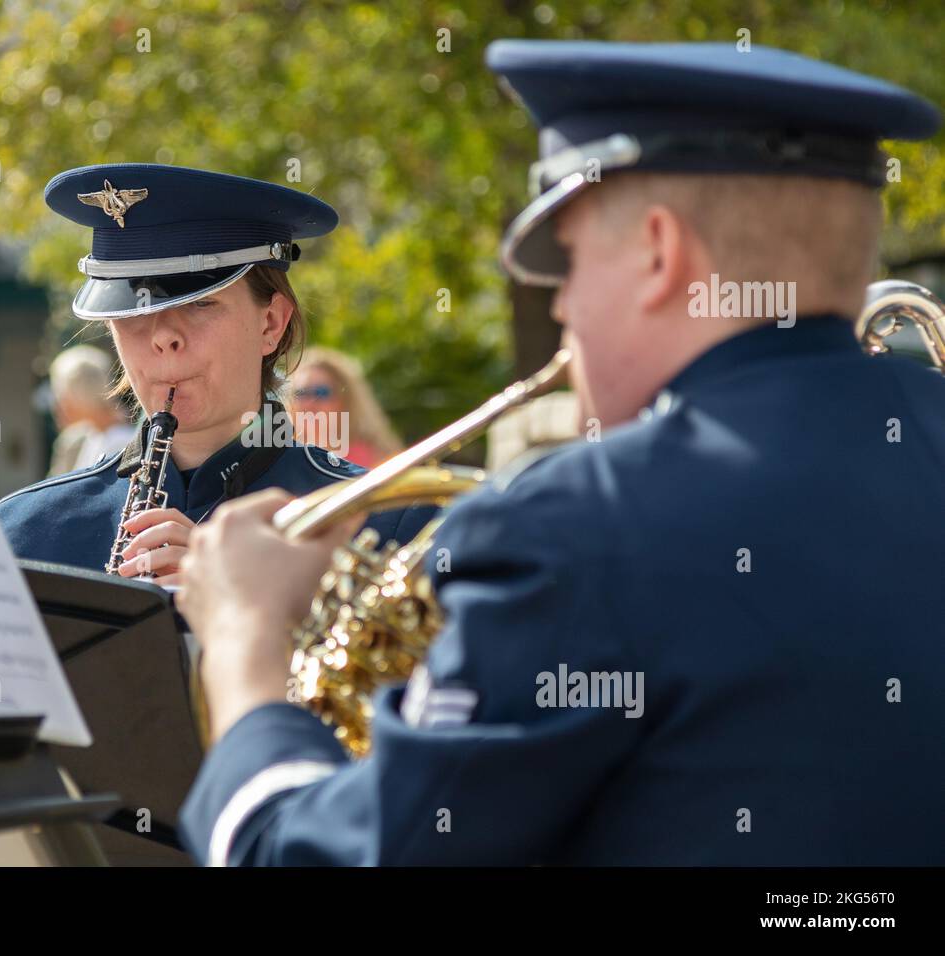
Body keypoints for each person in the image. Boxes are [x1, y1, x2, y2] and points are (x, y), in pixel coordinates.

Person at [174, 41, 945, 865]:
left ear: (659, 253)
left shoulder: (576, 530)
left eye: (571, 263)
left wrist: (247, 640)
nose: (565, 306)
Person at [0, 164, 432, 582]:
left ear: (271, 324)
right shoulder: (24, 535)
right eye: (132, 309)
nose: (164, 336)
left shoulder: (388, 527)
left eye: (200, 303)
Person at [289, 346, 403, 468]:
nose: (309, 403)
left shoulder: (370, 459)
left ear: (346, 400)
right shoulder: (284, 457)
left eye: (321, 392)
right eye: (301, 393)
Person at [46, 344, 134, 477]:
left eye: (62, 396)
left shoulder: (121, 441)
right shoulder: (92, 436)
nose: (59, 406)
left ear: (81, 394)